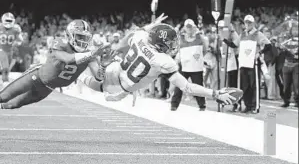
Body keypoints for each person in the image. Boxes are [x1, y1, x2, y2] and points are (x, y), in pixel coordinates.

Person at [0, 20, 112, 130]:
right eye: (79, 37)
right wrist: (92, 54)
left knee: (12, 105)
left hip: (48, 87)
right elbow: (67, 58)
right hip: (36, 77)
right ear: (70, 35)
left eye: (85, 38)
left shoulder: (89, 55)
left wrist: (103, 65)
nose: (83, 41)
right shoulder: (60, 43)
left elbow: (98, 76)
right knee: (3, 97)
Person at [79, 23, 236, 106]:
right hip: (119, 88)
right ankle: (77, 70)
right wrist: (215, 94)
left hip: (116, 70)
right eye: (170, 42)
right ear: (161, 42)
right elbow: (187, 87)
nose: (173, 45)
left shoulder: (141, 37)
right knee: (91, 80)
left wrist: (118, 47)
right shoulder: (162, 60)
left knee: (91, 72)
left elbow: (136, 32)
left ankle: (79, 67)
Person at [171, 19, 209, 111]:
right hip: (184, 66)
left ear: (193, 27)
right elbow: (176, 49)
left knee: (198, 86)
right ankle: (174, 105)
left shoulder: (200, 37)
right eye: (187, 27)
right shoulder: (181, 38)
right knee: (179, 85)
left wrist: (197, 59)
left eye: (190, 27)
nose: (189, 29)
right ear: (185, 28)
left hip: (196, 67)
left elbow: (204, 50)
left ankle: (202, 105)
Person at [238, 15, 272, 113]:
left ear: (253, 23)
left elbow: (269, 45)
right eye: (246, 22)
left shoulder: (258, 34)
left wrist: (260, 53)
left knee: (254, 85)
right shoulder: (243, 34)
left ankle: (255, 106)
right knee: (245, 86)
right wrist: (224, 40)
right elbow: (235, 44)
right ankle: (248, 105)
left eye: (249, 22)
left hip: (253, 63)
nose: (247, 24)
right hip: (244, 63)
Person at [280, 21, 298, 108]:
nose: (295, 31)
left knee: (296, 84)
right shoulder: (286, 40)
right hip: (286, 64)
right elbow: (281, 52)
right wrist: (281, 48)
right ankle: (286, 101)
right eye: (293, 30)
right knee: (286, 85)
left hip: (296, 64)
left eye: (296, 30)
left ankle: (297, 101)